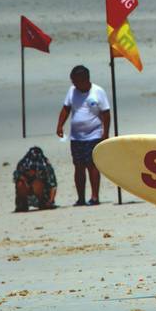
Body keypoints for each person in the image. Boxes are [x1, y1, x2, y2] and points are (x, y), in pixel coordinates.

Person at [55, 65, 110, 206]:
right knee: (78, 166)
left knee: (92, 165)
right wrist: (60, 125)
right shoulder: (72, 91)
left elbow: (106, 113)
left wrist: (105, 133)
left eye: (76, 81)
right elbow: (66, 109)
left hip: (94, 134)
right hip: (76, 137)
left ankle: (95, 197)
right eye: (72, 81)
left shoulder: (97, 92)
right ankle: (80, 198)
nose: (74, 84)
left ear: (85, 79)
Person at [12, 145, 57, 212]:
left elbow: (53, 186)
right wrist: (24, 179)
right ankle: (23, 205)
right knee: (20, 184)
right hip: (27, 193)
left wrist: (50, 201)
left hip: (43, 194)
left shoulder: (45, 166)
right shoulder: (22, 165)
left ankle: (43, 203)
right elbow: (16, 177)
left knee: (37, 183)